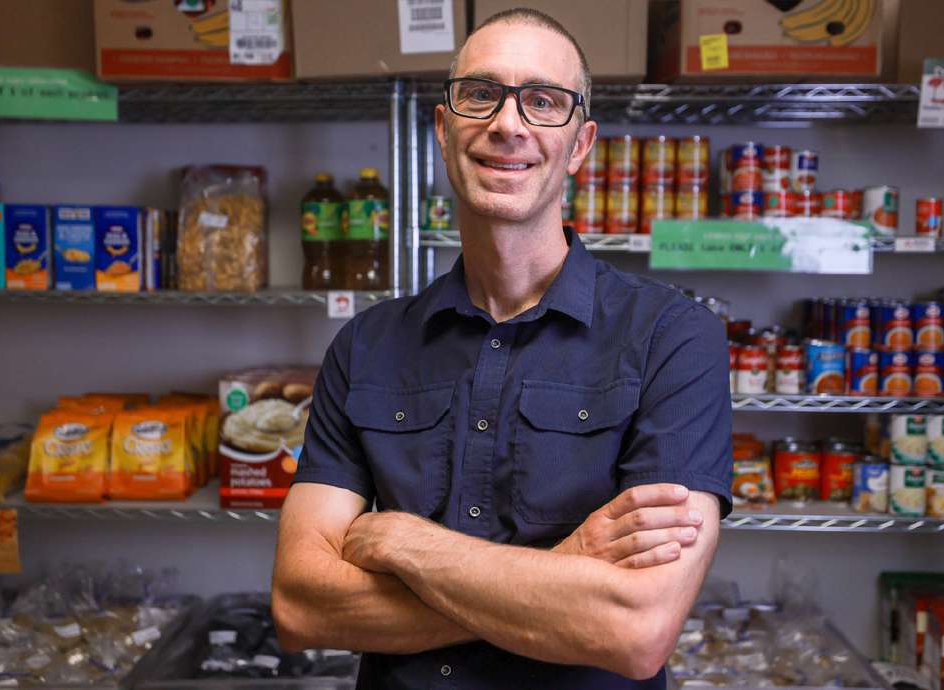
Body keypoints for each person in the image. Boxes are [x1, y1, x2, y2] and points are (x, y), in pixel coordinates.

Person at [272, 8, 733, 688]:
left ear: (580, 144)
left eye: (544, 101)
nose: (508, 124)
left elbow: (634, 630)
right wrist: (562, 569)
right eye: (481, 94)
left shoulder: (673, 338)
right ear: (443, 128)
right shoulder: (366, 345)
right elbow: (301, 607)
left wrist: (408, 543)